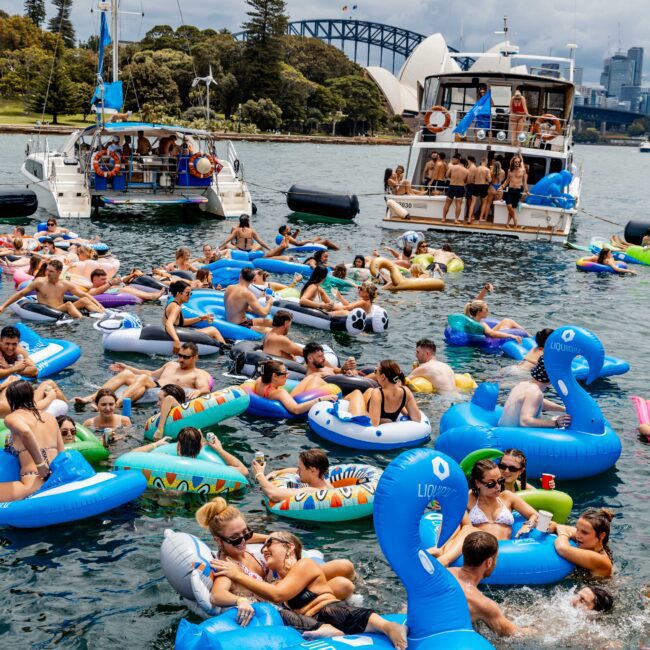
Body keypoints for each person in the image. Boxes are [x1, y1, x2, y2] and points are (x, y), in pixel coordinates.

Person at [212, 530, 407, 648]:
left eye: (269, 544)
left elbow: (278, 595)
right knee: (278, 613)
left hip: (331, 613)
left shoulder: (305, 565)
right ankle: (328, 630)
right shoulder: (274, 583)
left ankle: (389, 626)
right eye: (263, 547)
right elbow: (219, 596)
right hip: (312, 626)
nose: (263, 550)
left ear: (288, 548)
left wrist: (237, 574)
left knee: (333, 610)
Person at [197, 498, 356, 622]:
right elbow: (217, 595)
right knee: (343, 585)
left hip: (285, 584)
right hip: (284, 602)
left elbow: (248, 538)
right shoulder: (227, 566)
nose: (244, 541)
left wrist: (275, 540)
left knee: (345, 566)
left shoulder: (240, 543)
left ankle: (364, 587)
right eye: (236, 539)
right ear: (218, 540)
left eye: (246, 533)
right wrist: (240, 600)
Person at [431, 459, 540, 566]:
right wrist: (441, 504)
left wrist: (528, 524)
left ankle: (442, 556)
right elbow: (451, 514)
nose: (498, 486)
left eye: (500, 481)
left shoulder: (507, 496)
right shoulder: (469, 498)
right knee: (467, 526)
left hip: (506, 549)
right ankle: (440, 550)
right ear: (478, 483)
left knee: (468, 528)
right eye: (491, 484)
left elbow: (534, 514)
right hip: (478, 547)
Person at [73, 341, 211, 407]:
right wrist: (128, 367)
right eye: (180, 355)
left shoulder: (197, 374)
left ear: (195, 358)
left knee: (144, 379)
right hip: (153, 385)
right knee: (126, 374)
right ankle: (93, 398)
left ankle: (117, 404)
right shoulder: (171, 364)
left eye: (186, 357)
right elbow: (151, 373)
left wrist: (199, 392)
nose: (181, 359)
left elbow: (205, 388)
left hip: (164, 392)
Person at [448, 532, 525, 636]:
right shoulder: (482, 604)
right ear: (489, 562)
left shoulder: (445, 572)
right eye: (496, 558)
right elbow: (516, 634)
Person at [0, 381, 63, 501]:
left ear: (10, 399)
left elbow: (26, 432)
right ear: (31, 395)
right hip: (56, 477)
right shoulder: (50, 418)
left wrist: (41, 465)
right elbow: (61, 452)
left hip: (32, 482)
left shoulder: (12, 417)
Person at [0, 259, 105, 319]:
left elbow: (84, 295)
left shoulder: (64, 284)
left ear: (59, 273)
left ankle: (102, 315)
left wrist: (98, 304)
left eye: (51, 271)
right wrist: (3, 306)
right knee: (68, 304)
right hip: (49, 311)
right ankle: (83, 321)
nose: (47, 273)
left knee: (85, 300)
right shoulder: (40, 282)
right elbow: (20, 294)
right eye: (47, 270)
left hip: (62, 309)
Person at [131, 426, 248, 475]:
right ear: (201, 447)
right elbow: (243, 471)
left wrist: (156, 444)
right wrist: (220, 450)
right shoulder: (208, 467)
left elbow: (131, 456)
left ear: (178, 447)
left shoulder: (163, 457)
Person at [498, 356, 571, 428]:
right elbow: (525, 421)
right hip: (513, 435)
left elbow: (537, 402)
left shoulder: (523, 384)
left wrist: (564, 409)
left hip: (503, 430)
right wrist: (555, 423)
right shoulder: (535, 393)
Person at [347, 360, 421, 426]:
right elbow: (417, 418)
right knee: (369, 390)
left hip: (369, 408)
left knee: (356, 392)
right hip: (382, 401)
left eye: (376, 371)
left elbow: (374, 423)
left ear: (383, 376)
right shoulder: (405, 391)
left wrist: (383, 421)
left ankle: (341, 399)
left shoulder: (378, 393)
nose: (374, 374)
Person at [251, 360, 336, 416]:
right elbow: (296, 410)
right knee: (316, 380)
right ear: (274, 376)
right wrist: (321, 399)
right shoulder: (279, 393)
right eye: (285, 373)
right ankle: (337, 391)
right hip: (299, 402)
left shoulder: (259, 381)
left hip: (285, 399)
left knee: (311, 377)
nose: (287, 376)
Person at [164, 280, 226, 352]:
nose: (189, 296)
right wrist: (176, 340)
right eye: (187, 293)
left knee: (209, 330)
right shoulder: (176, 307)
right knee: (213, 330)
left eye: (190, 293)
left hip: (179, 331)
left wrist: (200, 318)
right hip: (178, 335)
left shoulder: (175, 304)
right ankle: (227, 351)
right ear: (178, 294)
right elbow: (168, 324)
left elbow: (180, 322)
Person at [552, 508, 614, 578]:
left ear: (601, 535)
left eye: (584, 532)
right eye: (577, 529)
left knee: (585, 590)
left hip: (598, 588)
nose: (577, 535)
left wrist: (563, 534)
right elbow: (562, 527)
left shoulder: (600, 560)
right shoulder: (591, 542)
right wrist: (555, 526)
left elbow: (561, 548)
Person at [252, 448, 333, 502]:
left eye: (300, 469)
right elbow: (294, 470)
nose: (297, 472)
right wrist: (276, 473)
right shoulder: (326, 484)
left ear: (313, 470)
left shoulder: (312, 491)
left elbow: (274, 495)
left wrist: (259, 474)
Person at [224, 268, 274, 333]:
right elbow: (264, 314)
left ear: (240, 276)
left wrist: (256, 310)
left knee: (273, 323)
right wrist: (269, 302)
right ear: (253, 280)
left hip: (230, 321)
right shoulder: (247, 294)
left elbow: (239, 307)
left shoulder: (229, 287)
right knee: (273, 331)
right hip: (240, 325)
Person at [87, 268, 166, 301]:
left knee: (128, 287)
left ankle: (150, 295)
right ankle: (151, 296)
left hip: (119, 290)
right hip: (116, 294)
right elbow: (93, 293)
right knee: (124, 289)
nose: (105, 281)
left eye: (106, 279)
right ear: (95, 280)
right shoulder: (92, 289)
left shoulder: (104, 287)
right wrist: (110, 283)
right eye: (103, 279)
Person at [501, 156, 528, 229]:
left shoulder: (523, 170)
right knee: (509, 206)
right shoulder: (510, 170)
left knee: (512, 208)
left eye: (518, 162)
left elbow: (525, 182)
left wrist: (526, 190)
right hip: (510, 190)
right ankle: (515, 220)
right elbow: (507, 180)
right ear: (513, 162)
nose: (517, 163)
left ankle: (507, 224)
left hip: (518, 190)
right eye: (516, 162)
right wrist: (502, 187)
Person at [442, 155, 470, 224]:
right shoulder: (467, 171)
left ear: (459, 161)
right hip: (460, 187)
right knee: (458, 205)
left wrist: (452, 179)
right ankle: (456, 220)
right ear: (465, 163)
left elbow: (447, 176)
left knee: (447, 203)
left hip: (451, 186)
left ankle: (443, 218)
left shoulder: (452, 167)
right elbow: (468, 182)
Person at [468, 157, 491, 223]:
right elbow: (489, 180)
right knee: (484, 202)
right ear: (486, 161)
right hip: (484, 186)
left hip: (476, 185)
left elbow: (472, 179)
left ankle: (469, 218)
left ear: (481, 161)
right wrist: (487, 180)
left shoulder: (476, 169)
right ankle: (480, 218)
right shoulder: (487, 169)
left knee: (473, 202)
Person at [463, 156, 477, 222]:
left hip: (471, 185)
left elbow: (470, 178)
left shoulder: (472, 167)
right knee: (469, 201)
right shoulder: (471, 166)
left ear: (469, 160)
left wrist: (465, 183)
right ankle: (470, 215)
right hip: (470, 185)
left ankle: (471, 215)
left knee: (470, 201)